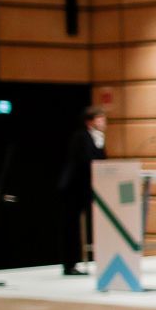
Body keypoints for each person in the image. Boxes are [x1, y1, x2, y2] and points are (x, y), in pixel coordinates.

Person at [56, 106, 107, 276]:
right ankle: (69, 264)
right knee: (70, 226)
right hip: (73, 187)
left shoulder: (97, 137)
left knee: (86, 224)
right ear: (89, 122)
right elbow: (85, 161)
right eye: (100, 119)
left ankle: (88, 259)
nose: (103, 122)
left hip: (86, 187)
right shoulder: (81, 137)